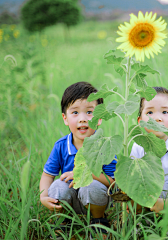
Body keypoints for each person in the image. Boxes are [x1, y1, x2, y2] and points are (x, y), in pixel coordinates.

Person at [39, 81, 116, 239]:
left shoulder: (105, 146)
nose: (82, 119)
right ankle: (65, 222)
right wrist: (43, 196)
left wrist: (85, 175)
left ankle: (99, 221)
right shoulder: (61, 146)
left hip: (96, 199)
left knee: (92, 186)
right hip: (70, 198)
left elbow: (113, 182)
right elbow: (48, 175)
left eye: (89, 112)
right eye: (75, 113)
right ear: (65, 118)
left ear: (100, 118)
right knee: (58, 186)